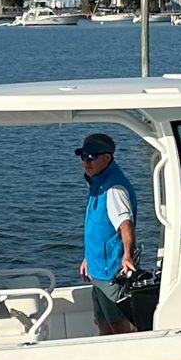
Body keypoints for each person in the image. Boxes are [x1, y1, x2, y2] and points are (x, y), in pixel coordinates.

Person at [75, 132, 138, 335]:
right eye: (83, 156)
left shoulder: (114, 188)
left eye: (91, 157)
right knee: (101, 319)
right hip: (97, 268)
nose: (86, 161)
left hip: (110, 269)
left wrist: (127, 255)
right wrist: (88, 258)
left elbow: (125, 225)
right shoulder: (98, 182)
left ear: (107, 157)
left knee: (117, 322)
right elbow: (98, 226)